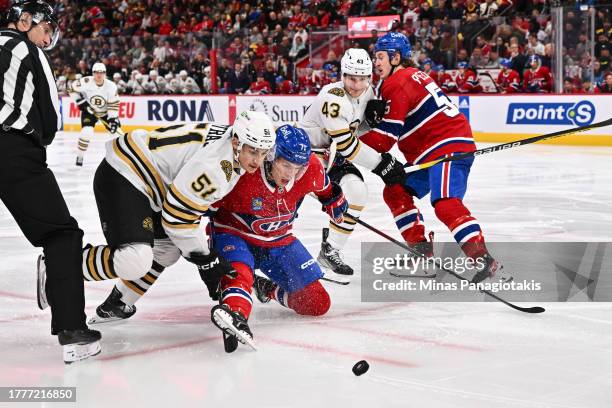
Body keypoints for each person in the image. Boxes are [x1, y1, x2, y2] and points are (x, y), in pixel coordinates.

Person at [36, 111, 276, 326]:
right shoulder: (216, 167)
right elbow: (177, 218)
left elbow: (180, 211)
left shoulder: (230, 147)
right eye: (252, 151)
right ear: (236, 143)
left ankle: (119, 302)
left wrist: (204, 260)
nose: (257, 160)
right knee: (135, 259)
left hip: (146, 181)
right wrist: (206, 260)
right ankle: (57, 266)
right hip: (125, 174)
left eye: (263, 153)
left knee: (166, 251)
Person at [360, 32, 511, 284]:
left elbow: (385, 139)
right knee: (395, 190)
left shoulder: (397, 82)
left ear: (396, 57)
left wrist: (346, 145)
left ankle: (485, 261)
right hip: (431, 150)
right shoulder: (409, 76)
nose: (376, 62)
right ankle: (421, 253)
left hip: (445, 146)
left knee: (445, 203)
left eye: (380, 56)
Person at [0, 0, 101, 363]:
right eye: (46, 29)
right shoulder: (28, 50)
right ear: (26, 22)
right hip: (11, 150)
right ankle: (72, 330)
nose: (47, 39)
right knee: (61, 235)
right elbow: (49, 119)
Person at [208, 124, 348, 351]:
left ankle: (267, 289)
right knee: (240, 275)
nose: (291, 174)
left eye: (298, 168)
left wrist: (335, 202)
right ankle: (235, 314)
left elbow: (326, 191)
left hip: (279, 240)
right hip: (234, 234)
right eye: (286, 165)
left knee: (318, 303)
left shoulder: (312, 168)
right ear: (271, 156)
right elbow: (204, 205)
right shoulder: (244, 171)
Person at [299, 48, 407, 282]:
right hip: (305, 158)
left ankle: (330, 250)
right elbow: (348, 145)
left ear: (369, 77)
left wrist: (370, 122)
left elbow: (354, 131)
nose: (356, 85)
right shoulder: (333, 97)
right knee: (287, 208)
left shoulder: (369, 91)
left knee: (357, 192)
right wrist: (382, 165)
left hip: (332, 155)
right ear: (342, 74)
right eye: (350, 78)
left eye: (361, 79)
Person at [69, 62, 121, 166]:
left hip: (105, 112)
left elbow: (113, 103)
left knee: (117, 134)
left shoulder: (111, 86)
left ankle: (119, 158)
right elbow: (71, 88)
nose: (99, 75)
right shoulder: (86, 81)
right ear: (93, 73)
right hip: (89, 111)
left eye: (101, 72)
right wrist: (81, 102)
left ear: (105, 73)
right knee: (86, 132)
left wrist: (113, 118)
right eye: (97, 72)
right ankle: (80, 156)